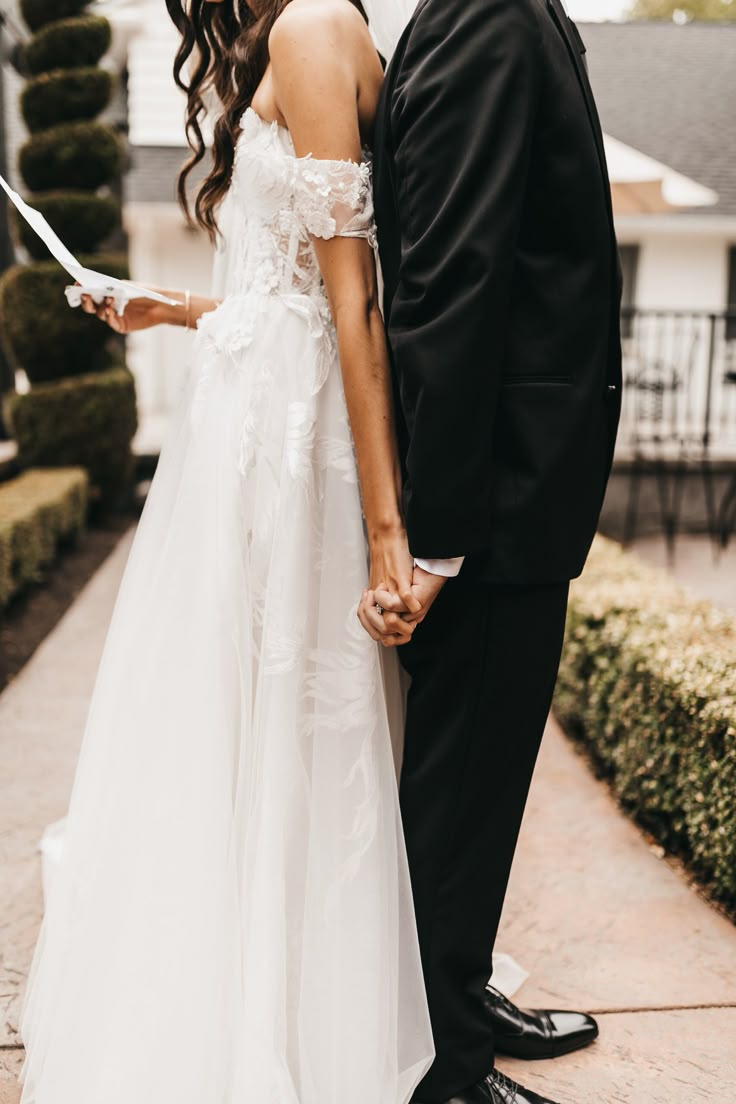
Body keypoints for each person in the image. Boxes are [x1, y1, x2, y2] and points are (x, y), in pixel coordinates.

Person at [18, 2, 435, 1103]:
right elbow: (281, 297)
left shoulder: (309, 33)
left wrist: (387, 534)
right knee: (237, 716)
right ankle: (257, 990)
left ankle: (290, 1021)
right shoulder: (284, 34)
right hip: (248, 430)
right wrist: (179, 309)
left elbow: (353, 308)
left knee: (288, 711)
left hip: (296, 452)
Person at [358, 0, 623, 1102]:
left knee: (475, 785)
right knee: (460, 794)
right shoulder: (490, 19)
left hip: (512, 485)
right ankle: (445, 1072)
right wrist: (443, 533)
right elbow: (450, 283)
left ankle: (455, 995)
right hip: (496, 496)